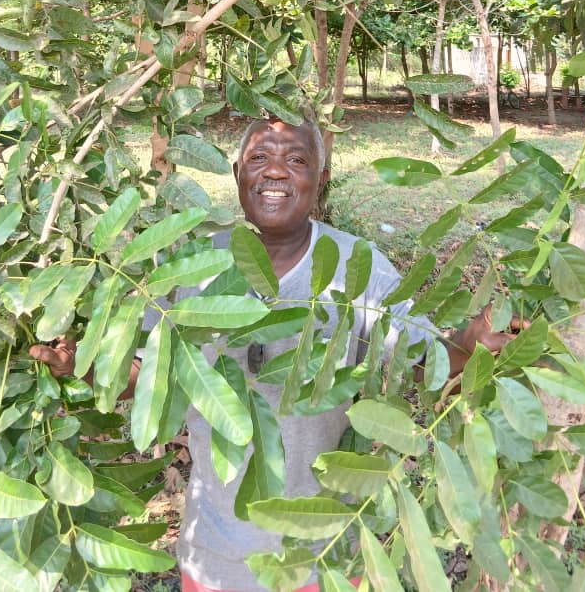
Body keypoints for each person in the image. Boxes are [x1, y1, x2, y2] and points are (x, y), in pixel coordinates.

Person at [31, 116, 513, 592]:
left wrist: (468, 345)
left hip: (324, 551)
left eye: (296, 160)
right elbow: (143, 376)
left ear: (320, 179)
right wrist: (82, 366)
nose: (276, 171)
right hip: (216, 552)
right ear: (238, 174)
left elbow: (427, 361)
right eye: (259, 157)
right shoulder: (192, 267)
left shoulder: (358, 267)